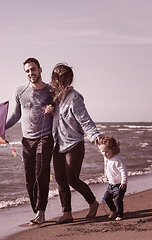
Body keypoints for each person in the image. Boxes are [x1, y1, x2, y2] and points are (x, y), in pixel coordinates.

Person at [46, 63, 101, 224]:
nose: (59, 81)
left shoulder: (74, 98)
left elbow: (85, 120)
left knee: (72, 178)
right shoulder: (54, 97)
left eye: (62, 78)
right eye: (57, 78)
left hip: (74, 145)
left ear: (69, 79)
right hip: (58, 144)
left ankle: (92, 202)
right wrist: (49, 112)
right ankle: (67, 213)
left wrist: (95, 135)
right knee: (60, 178)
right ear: (54, 79)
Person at [5, 58, 54, 224]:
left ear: (40, 69)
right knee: (29, 178)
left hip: (45, 137)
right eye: (27, 71)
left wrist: (52, 109)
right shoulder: (20, 91)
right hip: (27, 140)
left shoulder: (51, 91)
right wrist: (2, 128)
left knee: (42, 173)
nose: (31, 73)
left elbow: (60, 112)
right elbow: (16, 115)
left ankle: (41, 212)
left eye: (33, 69)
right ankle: (36, 208)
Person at [97, 136, 127, 221]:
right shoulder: (106, 157)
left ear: (113, 150)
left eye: (107, 152)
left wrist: (124, 182)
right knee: (106, 198)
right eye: (103, 152)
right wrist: (98, 143)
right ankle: (113, 211)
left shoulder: (117, 159)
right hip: (111, 184)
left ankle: (120, 215)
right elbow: (102, 147)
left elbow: (123, 171)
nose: (105, 154)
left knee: (118, 199)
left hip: (119, 184)